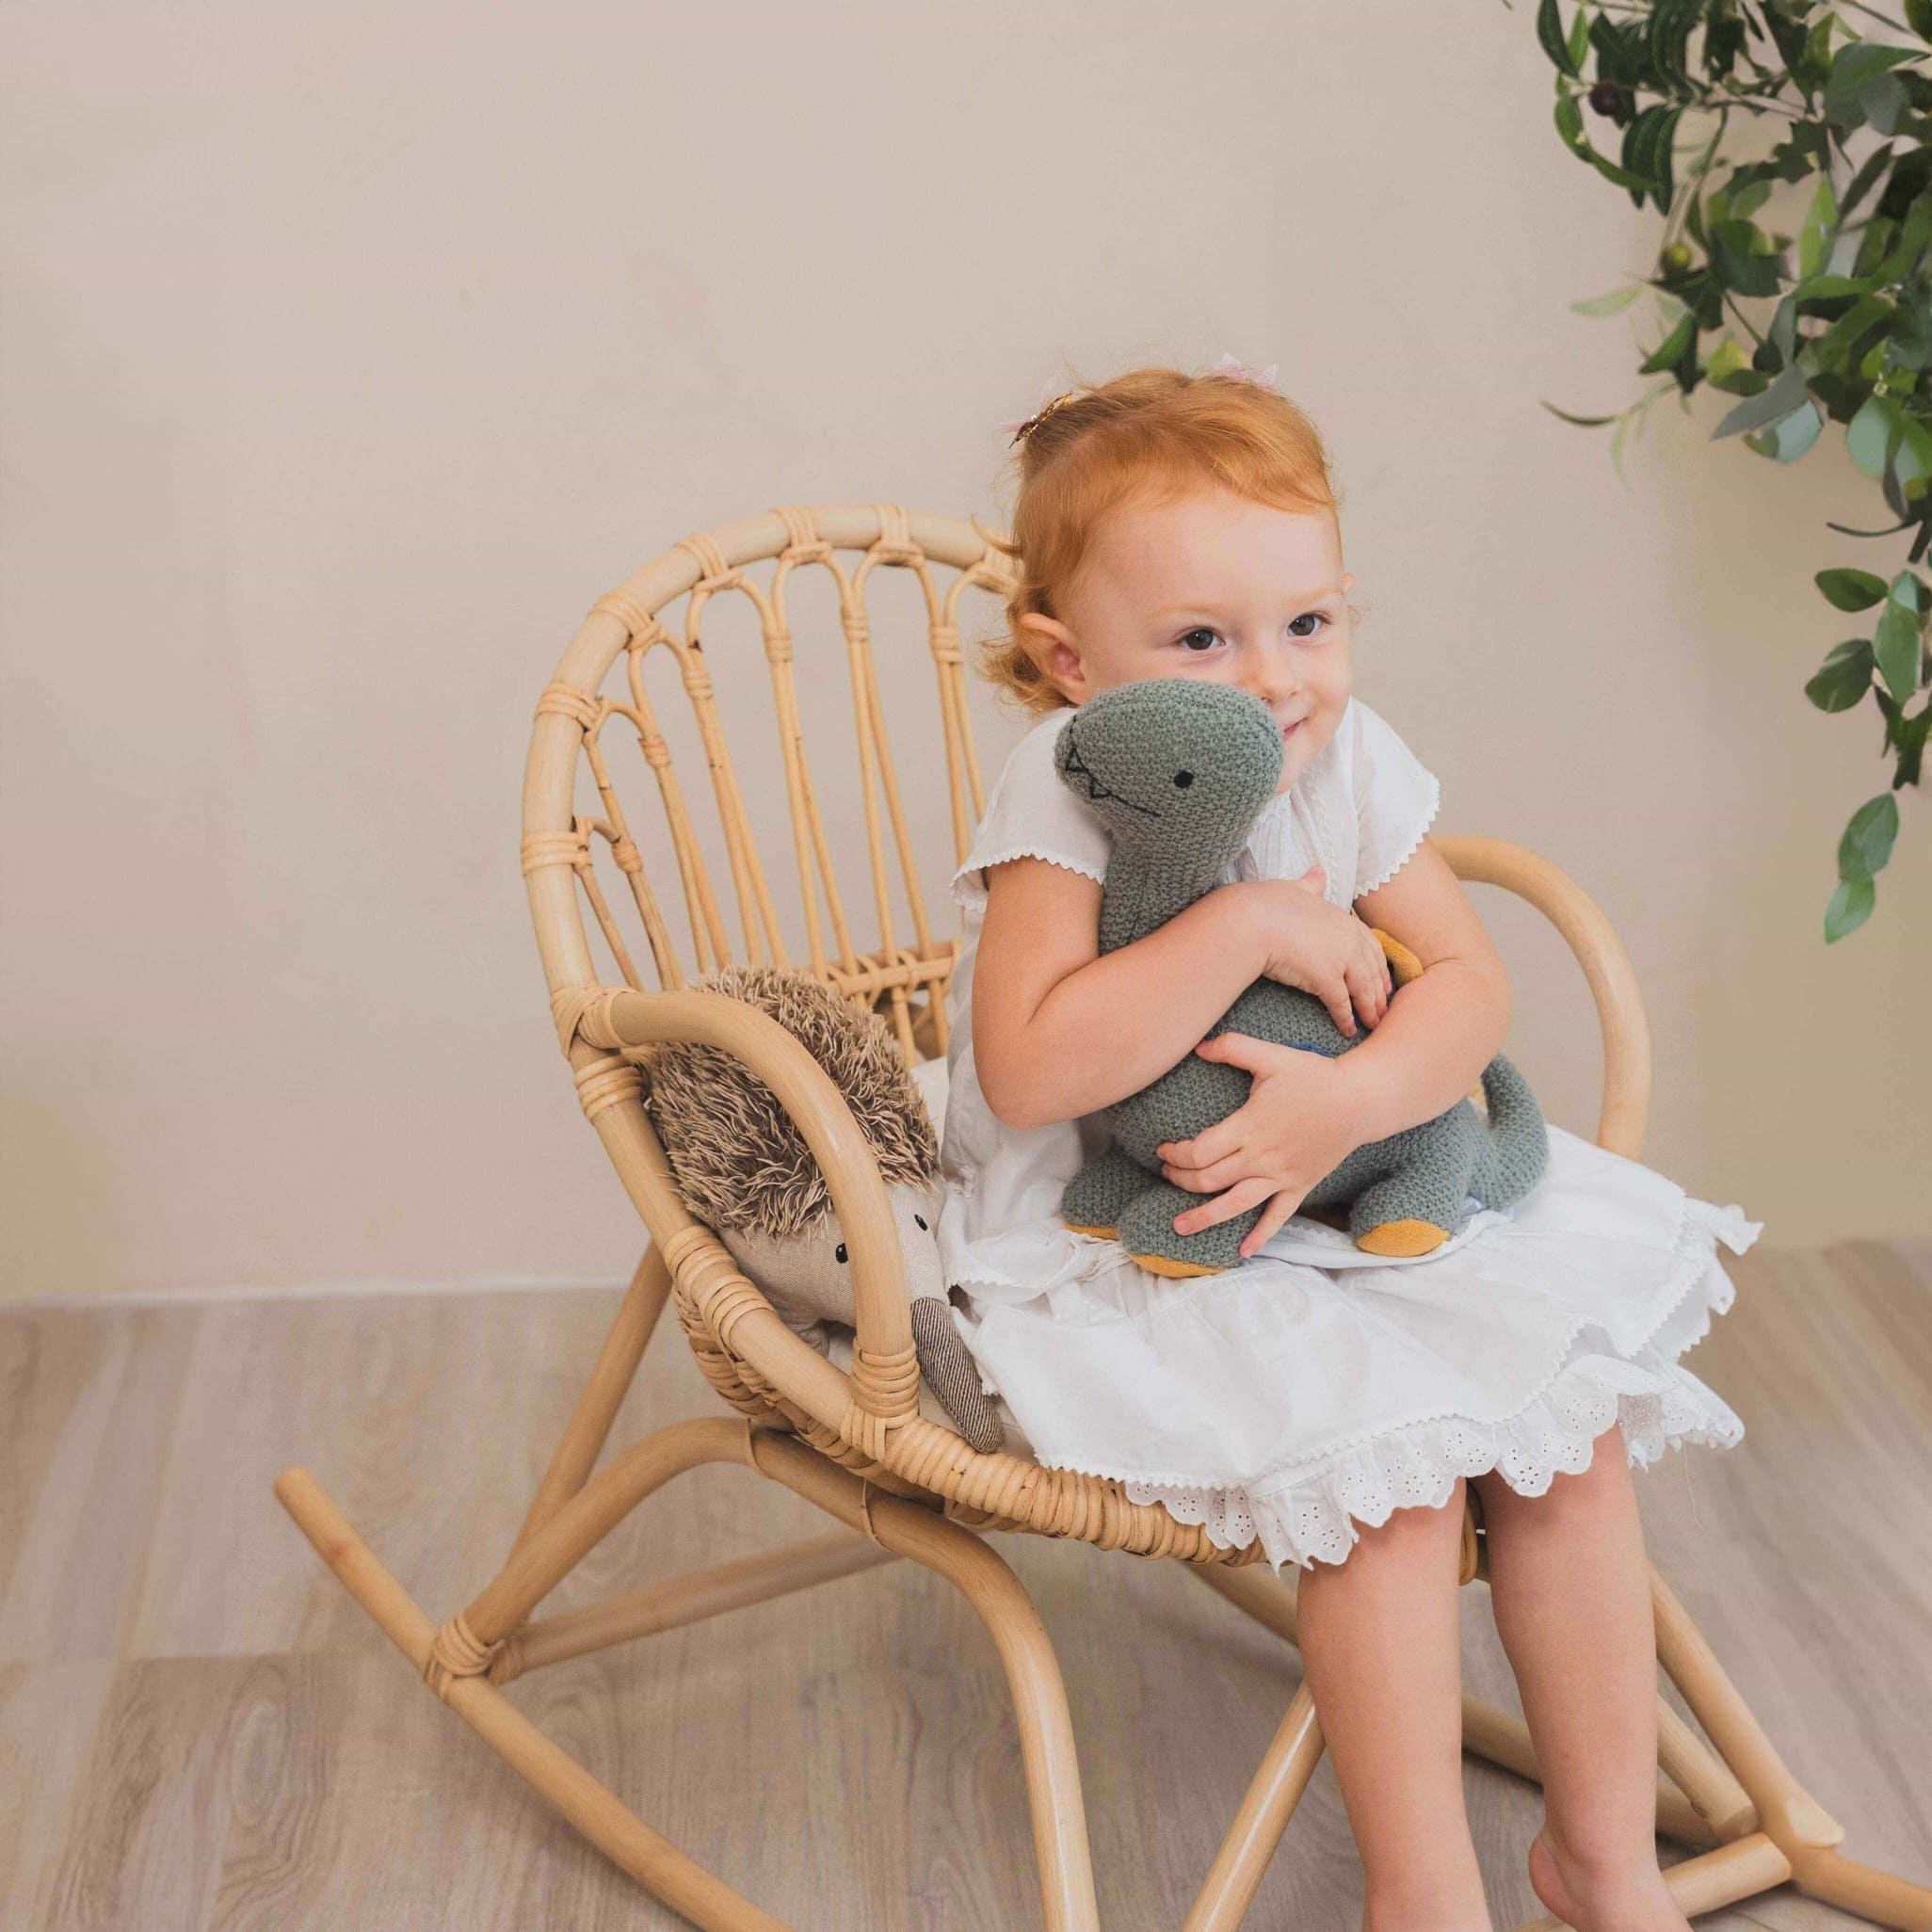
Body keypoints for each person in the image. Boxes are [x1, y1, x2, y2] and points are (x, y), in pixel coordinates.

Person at [937, 358, 1762, 1932]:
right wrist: (1248, 914)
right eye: (1201, 639)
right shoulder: (1073, 785)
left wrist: (1354, 1104)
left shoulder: (1352, 751)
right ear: (1068, 662)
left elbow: (1466, 982)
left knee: (1566, 1435)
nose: (1275, 681)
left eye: (1308, 623)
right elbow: (1034, 1067)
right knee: (1380, 1487)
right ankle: (1422, 1895)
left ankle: (1599, 1859)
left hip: (1358, 1174)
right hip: (1143, 1225)